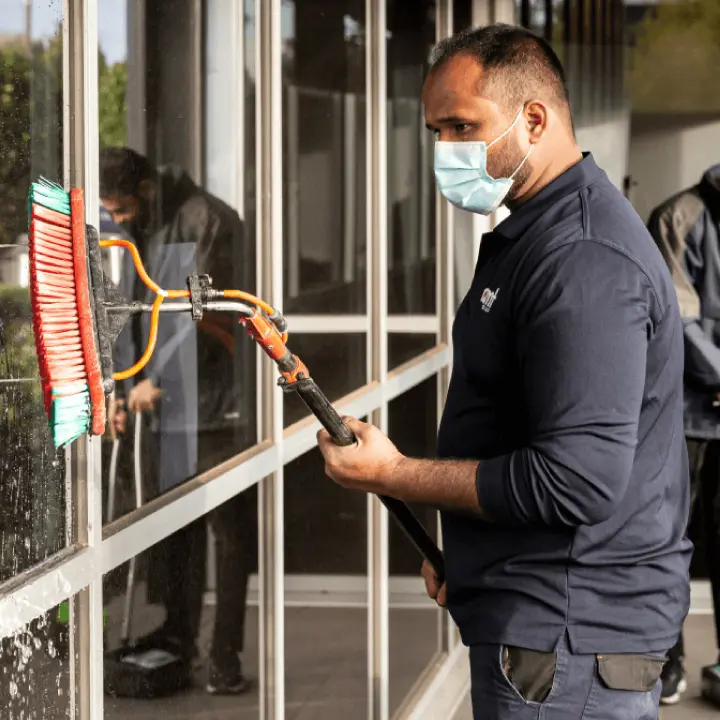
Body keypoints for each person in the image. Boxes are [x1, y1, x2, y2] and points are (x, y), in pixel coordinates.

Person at [317, 24, 691, 720]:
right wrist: (478, 552)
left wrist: (392, 472)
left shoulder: (581, 260)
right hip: (550, 630)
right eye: (435, 130)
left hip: (568, 646)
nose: (445, 151)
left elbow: (574, 480)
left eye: (462, 126)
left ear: (535, 118)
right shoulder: (539, 232)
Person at [101, 147, 257, 695]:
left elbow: (205, 316)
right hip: (164, 409)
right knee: (176, 532)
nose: (114, 218)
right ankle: (177, 639)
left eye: (119, 208)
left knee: (230, 535)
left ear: (144, 190)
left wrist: (154, 381)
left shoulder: (206, 218)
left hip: (217, 408)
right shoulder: (140, 226)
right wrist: (122, 388)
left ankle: (224, 659)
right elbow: (129, 311)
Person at [648, 164, 720, 705]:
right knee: (669, 541)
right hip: (688, 415)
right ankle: (666, 660)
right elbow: (678, 316)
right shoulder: (681, 216)